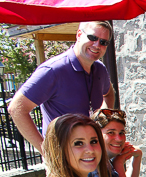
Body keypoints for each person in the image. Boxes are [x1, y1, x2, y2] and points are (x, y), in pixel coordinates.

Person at [9, 21, 115, 153]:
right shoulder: (53, 70)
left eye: (103, 42)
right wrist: (46, 152)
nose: (97, 45)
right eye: (92, 38)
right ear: (79, 34)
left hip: (92, 153)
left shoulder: (100, 69)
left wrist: (103, 123)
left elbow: (109, 94)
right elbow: (16, 109)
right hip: (63, 159)